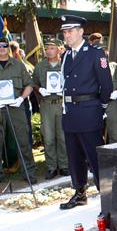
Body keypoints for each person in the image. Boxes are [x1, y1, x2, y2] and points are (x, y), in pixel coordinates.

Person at [58, 15, 113, 210]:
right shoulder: (65, 55)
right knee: (74, 156)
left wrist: (102, 107)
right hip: (70, 112)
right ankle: (80, 192)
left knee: (95, 157)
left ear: (81, 31)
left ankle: (108, 199)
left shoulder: (95, 53)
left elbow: (106, 85)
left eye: (70, 30)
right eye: (64, 31)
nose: (67, 35)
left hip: (89, 111)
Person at [0, 37, 37, 188]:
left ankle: (29, 173)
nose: (2, 48)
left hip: (16, 107)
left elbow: (29, 84)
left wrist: (21, 98)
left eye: (5, 46)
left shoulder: (18, 65)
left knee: (22, 141)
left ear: (8, 48)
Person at [32, 38, 69, 180]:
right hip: (47, 104)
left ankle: (64, 165)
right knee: (48, 137)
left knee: (63, 136)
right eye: (47, 48)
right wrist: (40, 89)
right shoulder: (40, 66)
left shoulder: (66, 64)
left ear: (60, 49)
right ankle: (52, 167)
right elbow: (33, 82)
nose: (48, 51)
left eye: (52, 48)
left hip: (62, 103)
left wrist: (65, 90)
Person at [103, 45, 117, 143]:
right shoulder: (89, 66)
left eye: (105, 50)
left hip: (112, 104)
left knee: (115, 133)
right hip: (96, 104)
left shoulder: (114, 66)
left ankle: (114, 158)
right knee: (94, 134)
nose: (103, 53)